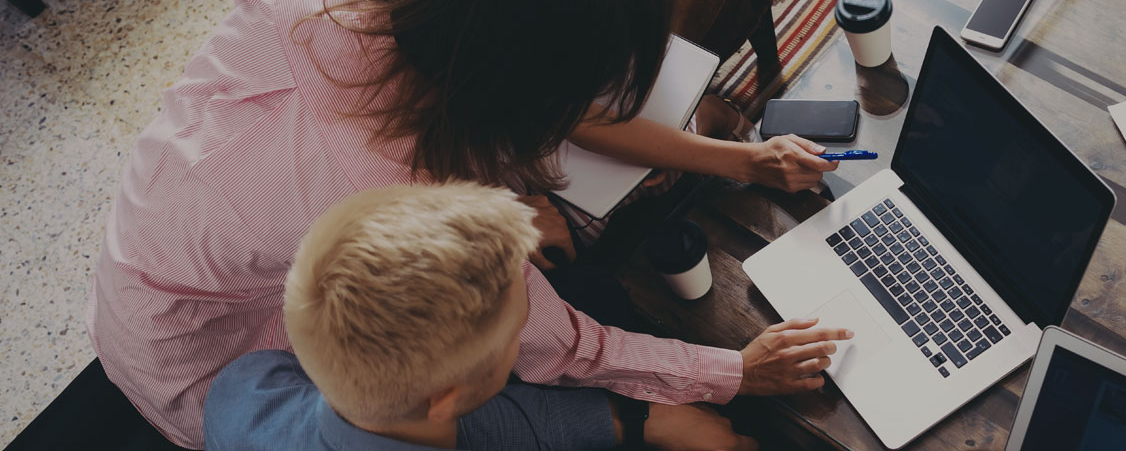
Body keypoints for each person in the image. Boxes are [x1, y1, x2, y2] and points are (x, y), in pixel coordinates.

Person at [92, 0, 848, 448]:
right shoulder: (418, 212)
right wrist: (733, 373)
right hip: (215, 367)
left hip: (142, 267)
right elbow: (559, 347)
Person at [389, 0, 827, 253]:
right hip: (518, 143)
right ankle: (714, 118)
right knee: (643, 176)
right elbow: (571, 117)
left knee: (662, 150)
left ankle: (712, 118)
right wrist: (747, 162)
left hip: (546, 102)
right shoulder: (425, 0)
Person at [204, 182, 757, 450]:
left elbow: (469, 422)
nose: (534, 325)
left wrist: (643, 420)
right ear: (443, 399)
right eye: (520, 330)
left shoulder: (239, 389)